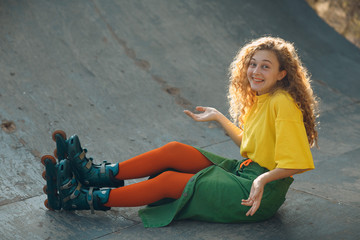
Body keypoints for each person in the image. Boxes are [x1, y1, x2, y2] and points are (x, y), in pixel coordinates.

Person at [41, 36, 318, 228]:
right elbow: (252, 145)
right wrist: (220, 118)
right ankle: (96, 174)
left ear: (282, 74)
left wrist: (262, 181)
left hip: (257, 194)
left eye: (265, 66)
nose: (255, 71)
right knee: (175, 151)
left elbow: (298, 163)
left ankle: (81, 199)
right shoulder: (264, 98)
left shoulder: (282, 102)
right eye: (253, 63)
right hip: (246, 172)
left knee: (170, 181)